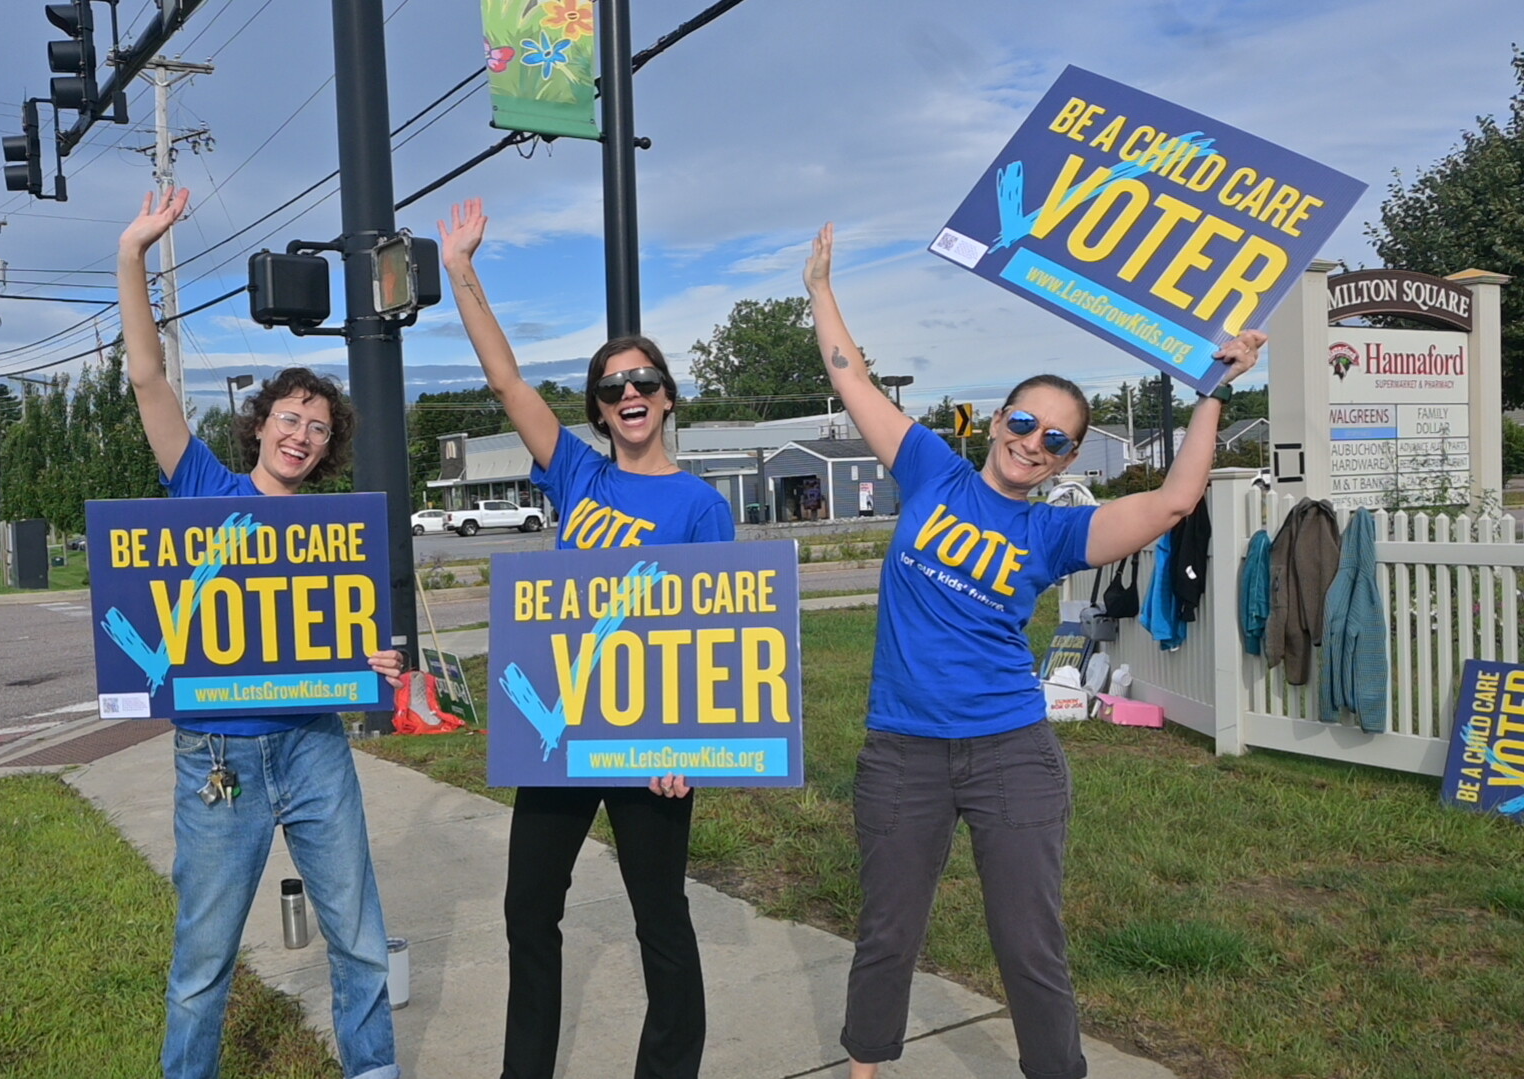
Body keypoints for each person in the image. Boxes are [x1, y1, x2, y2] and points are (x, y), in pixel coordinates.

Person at [802, 223, 1262, 1079]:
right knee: (888, 933)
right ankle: (865, 1069)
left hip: (1010, 753)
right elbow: (851, 378)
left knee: (1029, 947)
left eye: (1055, 439)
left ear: (1068, 457)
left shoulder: (1054, 530)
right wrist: (821, 289)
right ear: (997, 420)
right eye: (1024, 422)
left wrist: (1212, 391)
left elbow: (1171, 504)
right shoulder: (931, 468)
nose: (1033, 443)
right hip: (901, 751)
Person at [439, 198, 733, 1079]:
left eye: (644, 382)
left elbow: (715, 632)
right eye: (613, 387)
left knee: (659, 916)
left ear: (669, 397)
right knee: (529, 909)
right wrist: (462, 268)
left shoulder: (701, 507)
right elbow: (508, 383)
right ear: (599, 410)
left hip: (651, 738)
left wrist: (692, 745)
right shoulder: (576, 473)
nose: (630, 395)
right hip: (559, 729)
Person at [119, 187, 406, 1079]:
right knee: (203, 965)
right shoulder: (205, 487)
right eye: (291, 418)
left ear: (328, 448)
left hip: (315, 745)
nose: (304, 435)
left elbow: (352, 644)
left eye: (319, 429)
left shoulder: (335, 535)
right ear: (260, 424)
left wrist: (376, 661)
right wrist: (134, 253)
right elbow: (145, 378)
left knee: (359, 939)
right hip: (219, 758)